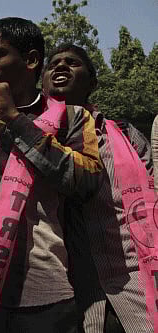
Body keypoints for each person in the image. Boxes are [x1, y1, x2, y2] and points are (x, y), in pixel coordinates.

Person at [0, 17, 103, 333]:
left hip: (43, 295)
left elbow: (87, 181)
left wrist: (14, 119)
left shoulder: (71, 117)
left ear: (30, 60)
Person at [43, 43, 153, 332]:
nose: (61, 67)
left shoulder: (126, 135)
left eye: (72, 62)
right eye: (53, 63)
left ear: (93, 82)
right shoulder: (27, 139)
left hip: (138, 288)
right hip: (67, 301)